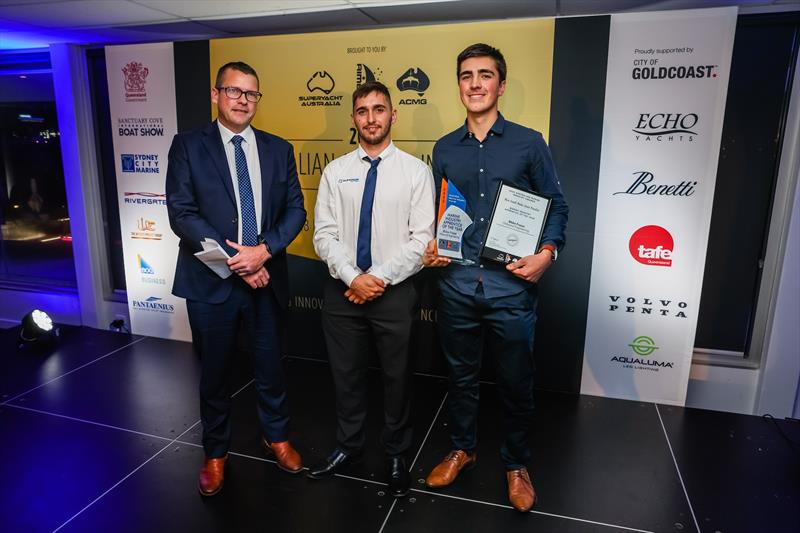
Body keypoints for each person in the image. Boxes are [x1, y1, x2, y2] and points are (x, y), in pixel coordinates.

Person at [422, 43, 569, 512]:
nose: (475, 83)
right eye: (467, 75)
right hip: (458, 285)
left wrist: (547, 253)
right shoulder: (444, 149)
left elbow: (557, 205)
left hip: (511, 287)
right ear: (459, 85)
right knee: (461, 376)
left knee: (515, 381)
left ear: (500, 86)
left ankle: (516, 464)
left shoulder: (529, 143)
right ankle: (463, 449)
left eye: (485, 75)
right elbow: (442, 212)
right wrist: (435, 244)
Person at [166, 61, 306, 496]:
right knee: (215, 374)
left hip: (266, 277)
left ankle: (276, 436)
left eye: (251, 94)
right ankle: (215, 452)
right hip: (212, 282)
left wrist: (262, 252)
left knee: (270, 367)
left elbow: (296, 210)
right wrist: (236, 259)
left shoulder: (278, 148)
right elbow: (181, 213)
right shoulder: (188, 146)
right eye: (234, 91)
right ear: (216, 94)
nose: (243, 100)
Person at [309, 81, 435, 498]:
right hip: (342, 292)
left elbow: (421, 240)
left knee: (397, 378)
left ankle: (397, 454)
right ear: (353, 119)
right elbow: (324, 236)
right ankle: (349, 446)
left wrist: (376, 279)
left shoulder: (416, 171)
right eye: (363, 111)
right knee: (345, 376)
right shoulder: (335, 171)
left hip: (394, 292)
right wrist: (352, 277)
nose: (371, 118)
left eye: (379, 109)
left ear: (393, 115)